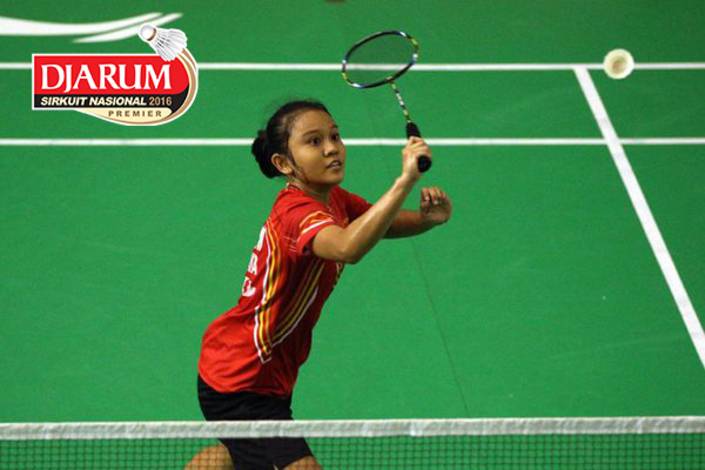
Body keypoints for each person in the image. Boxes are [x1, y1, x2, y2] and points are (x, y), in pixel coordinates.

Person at [190, 99, 452, 469]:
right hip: (242, 380)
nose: (331, 148)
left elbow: (379, 224)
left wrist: (426, 220)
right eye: (314, 141)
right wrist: (405, 180)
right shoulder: (295, 213)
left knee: (240, 452)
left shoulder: (332, 200)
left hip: (268, 373)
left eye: (335, 136)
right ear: (284, 163)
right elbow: (347, 247)